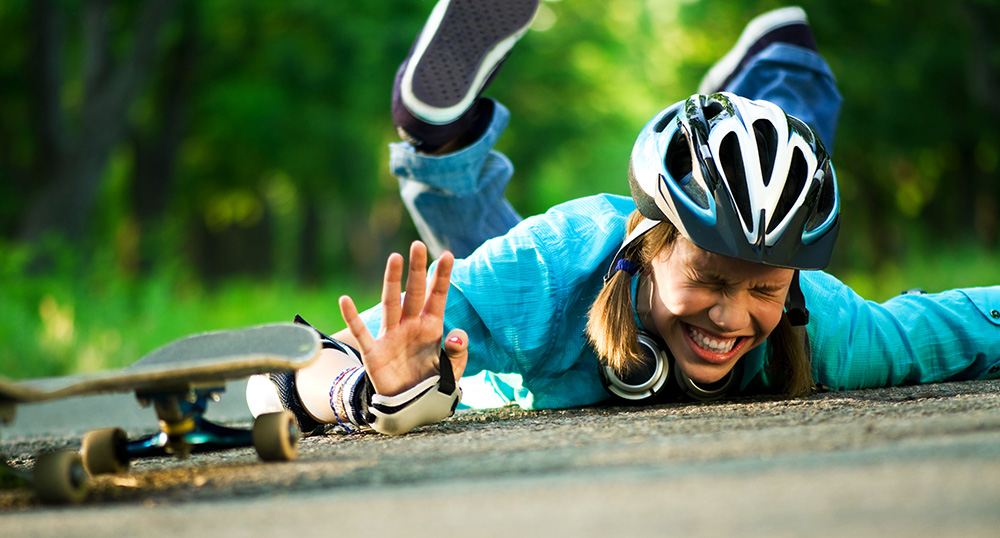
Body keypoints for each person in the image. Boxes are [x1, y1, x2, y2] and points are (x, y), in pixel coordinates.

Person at [247, 2, 1000, 436]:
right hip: (551, 312)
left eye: (764, 290)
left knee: (771, 188)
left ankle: (779, 68)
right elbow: (297, 367)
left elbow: (963, 327)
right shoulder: (549, 269)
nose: (732, 318)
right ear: (645, 241)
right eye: (708, 278)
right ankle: (443, 143)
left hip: (564, 318)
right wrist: (366, 394)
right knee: (484, 293)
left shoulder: (821, 326)